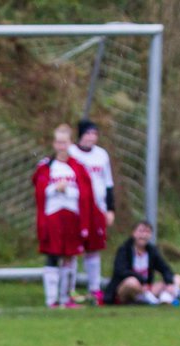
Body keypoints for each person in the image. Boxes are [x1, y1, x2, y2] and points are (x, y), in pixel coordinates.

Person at [33, 124, 97, 309]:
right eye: (58, 142)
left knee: (70, 256)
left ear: (70, 143)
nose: (61, 146)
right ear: (54, 144)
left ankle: (66, 297)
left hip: (72, 217)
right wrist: (54, 188)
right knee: (53, 255)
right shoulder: (47, 166)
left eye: (65, 142)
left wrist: (67, 190)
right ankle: (51, 300)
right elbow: (39, 191)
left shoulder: (77, 167)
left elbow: (85, 194)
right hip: (53, 216)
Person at [69, 119, 116, 305]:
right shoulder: (71, 153)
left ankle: (94, 289)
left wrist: (110, 209)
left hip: (97, 208)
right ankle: (69, 290)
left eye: (94, 134)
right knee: (72, 250)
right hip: (76, 208)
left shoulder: (102, 155)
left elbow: (108, 183)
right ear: (80, 135)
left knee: (94, 248)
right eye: (88, 133)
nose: (91, 137)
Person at [101, 220, 180, 305]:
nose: (143, 235)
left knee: (177, 278)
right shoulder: (124, 250)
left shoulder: (152, 251)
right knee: (132, 282)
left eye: (147, 232)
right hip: (126, 288)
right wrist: (141, 281)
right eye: (141, 231)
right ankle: (149, 298)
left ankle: (165, 298)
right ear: (134, 233)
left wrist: (169, 282)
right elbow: (120, 271)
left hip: (146, 289)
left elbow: (165, 269)